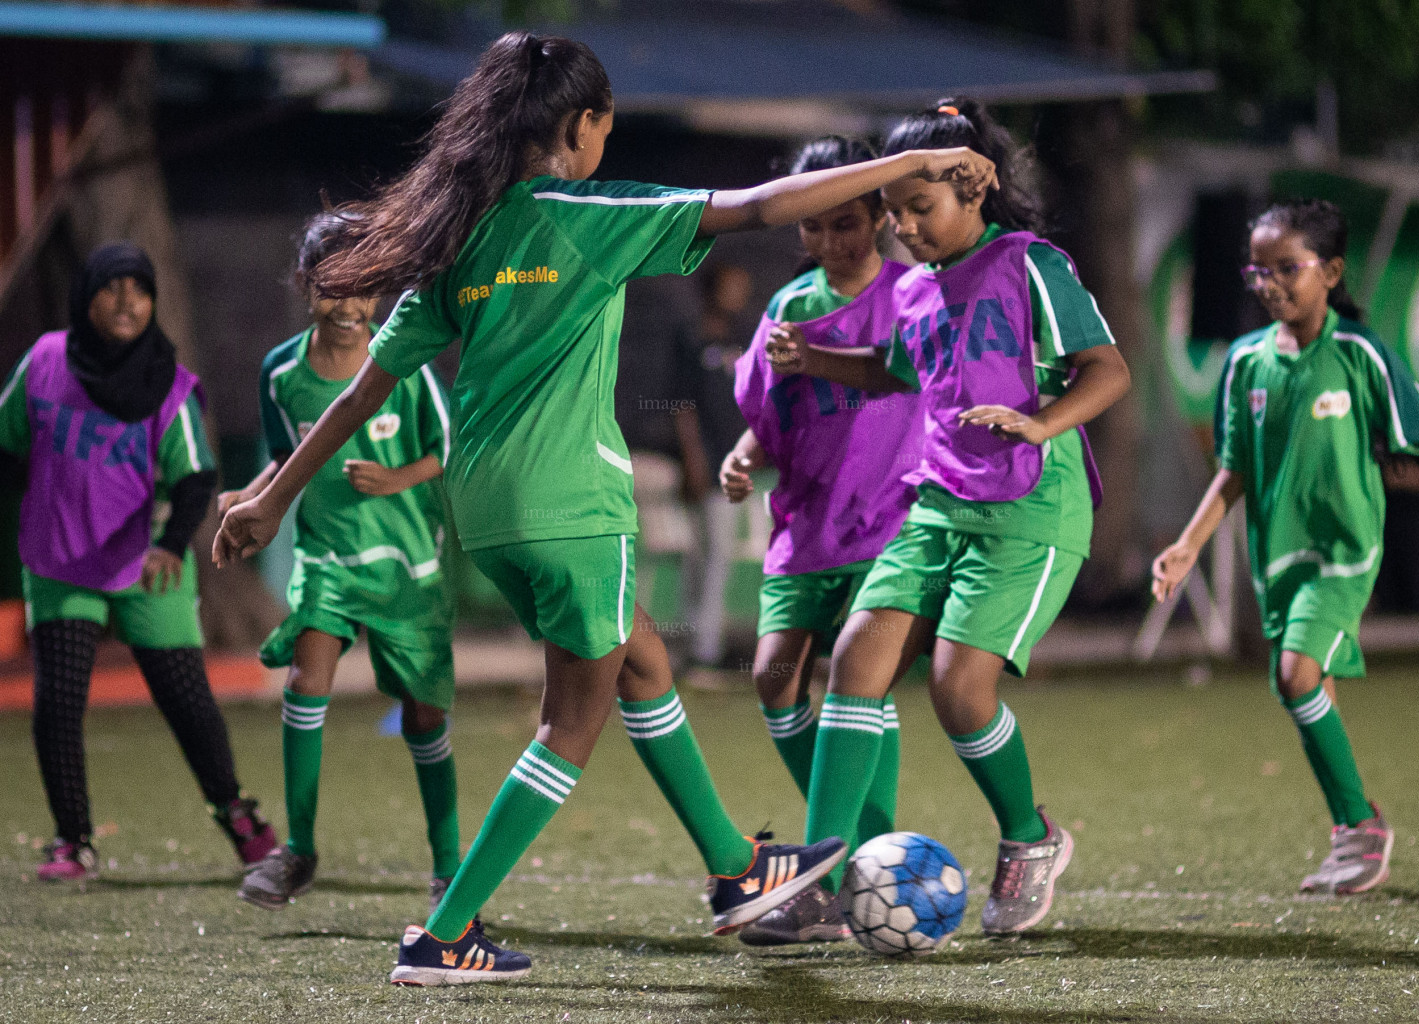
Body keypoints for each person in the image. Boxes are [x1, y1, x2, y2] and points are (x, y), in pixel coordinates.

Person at [211, 32, 997, 985]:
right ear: (582, 126)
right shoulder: (590, 212)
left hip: (487, 506)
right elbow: (757, 206)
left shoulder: (462, 232)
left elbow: (361, 393)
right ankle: (444, 934)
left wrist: (266, 494)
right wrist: (911, 159)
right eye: (607, 123)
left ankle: (737, 871)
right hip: (572, 502)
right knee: (569, 725)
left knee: (641, 660)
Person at [767, 98, 1130, 936]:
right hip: (938, 499)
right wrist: (812, 356)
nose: (902, 228)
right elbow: (896, 372)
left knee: (957, 691)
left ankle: (1030, 838)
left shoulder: (1029, 262)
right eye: (892, 211)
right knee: (853, 658)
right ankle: (821, 877)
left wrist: (1039, 421)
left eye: (917, 208)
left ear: (972, 190)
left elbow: (1107, 370)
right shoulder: (917, 292)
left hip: (1033, 505)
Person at [1151, 198, 1419, 894]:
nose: (1268, 282)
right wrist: (1185, 546)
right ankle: (1350, 830)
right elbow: (1233, 470)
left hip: (1343, 550)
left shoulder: (1358, 352)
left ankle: (1361, 829)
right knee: (1300, 686)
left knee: (1294, 676)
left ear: (1329, 271)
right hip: (1278, 560)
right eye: (1256, 270)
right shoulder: (1243, 362)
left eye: (1285, 268)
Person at [0, 242, 277, 881]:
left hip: (145, 563)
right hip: (58, 557)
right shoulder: (44, 361)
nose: (128, 300)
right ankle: (73, 842)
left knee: (186, 700)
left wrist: (170, 545)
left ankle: (238, 817)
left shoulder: (168, 385)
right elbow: (7, 441)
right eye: (112, 287)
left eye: (140, 289)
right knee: (59, 703)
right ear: (85, 295)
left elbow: (197, 477)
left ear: (153, 303)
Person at [222, 212, 460, 913]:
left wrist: (396, 478)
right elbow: (282, 457)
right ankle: (297, 851)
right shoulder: (282, 373)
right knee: (309, 676)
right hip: (327, 556)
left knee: (423, 715)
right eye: (334, 289)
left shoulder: (402, 364)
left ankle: (448, 864)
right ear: (305, 287)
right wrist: (254, 492)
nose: (351, 307)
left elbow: (445, 449)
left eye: (366, 289)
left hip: (408, 566)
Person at [722, 136, 923, 945]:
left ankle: (827, 876)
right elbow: (766, 418)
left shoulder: (912, 294)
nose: (829, 242)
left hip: (889, 521)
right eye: (811, 227)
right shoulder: (787, 305)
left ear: (879, 214)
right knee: (773, 680)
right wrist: (744, 456)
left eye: (844, 223)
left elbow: (903, 373)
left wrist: (814, 357)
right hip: (805, 526)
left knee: (856, 682)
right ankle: (859, 852)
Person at [673, 262, 752, 676]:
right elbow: (682, 406)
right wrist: (694, 460)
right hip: (705, 461)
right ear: (712, 290)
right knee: (710, 553)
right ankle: (703, 651)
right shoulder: (690, 337)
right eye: (731, 287)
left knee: (713, 553)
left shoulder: (742, 338)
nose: (738, 295)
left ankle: (701, 644)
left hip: (734, 459)